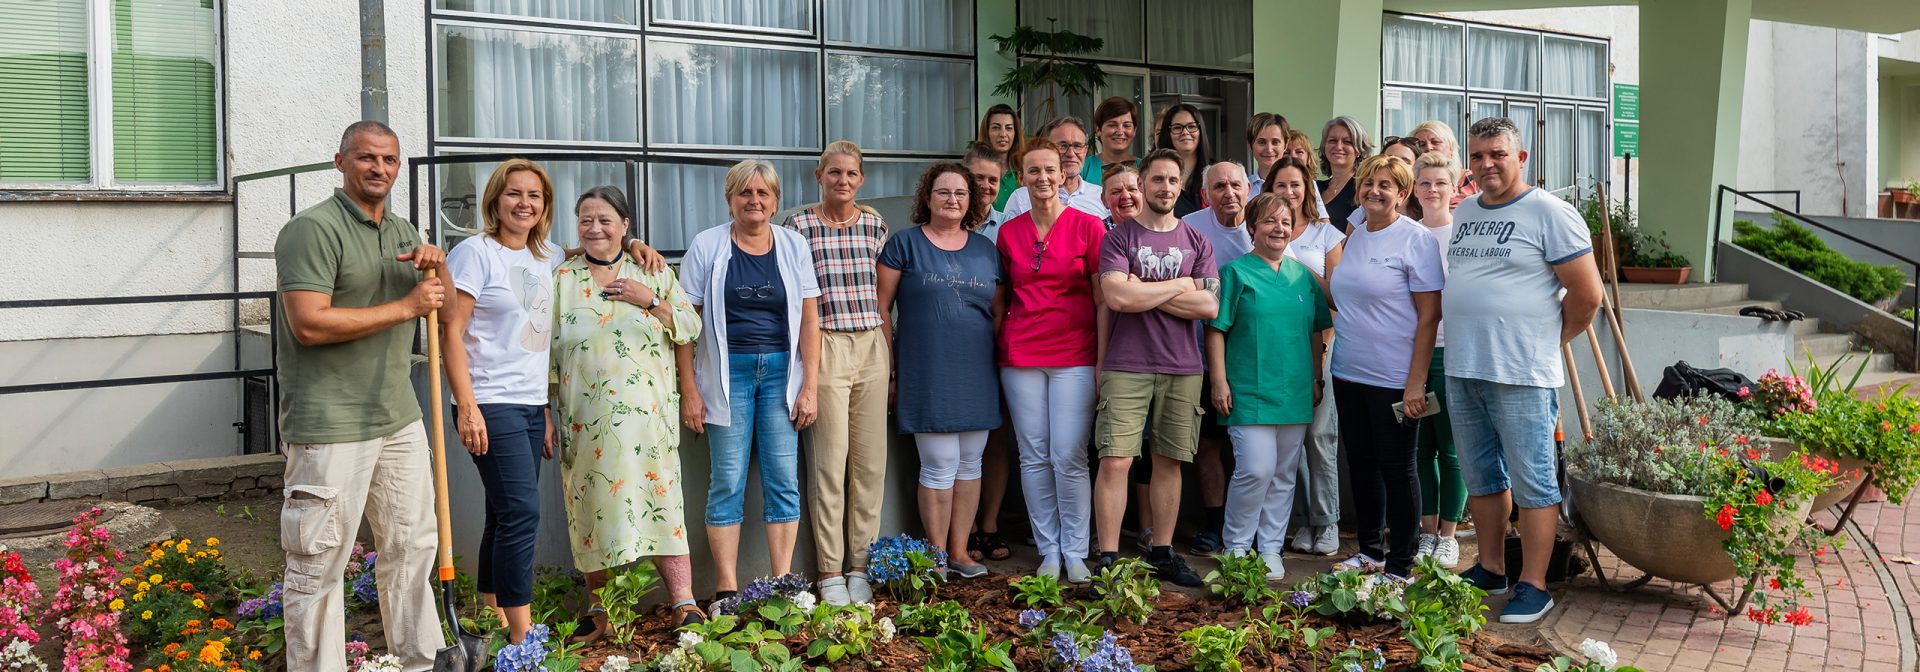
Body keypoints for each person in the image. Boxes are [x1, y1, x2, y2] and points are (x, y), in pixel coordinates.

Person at [274, 121, 447, 671]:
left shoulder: (402, 231)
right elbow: (309, 324)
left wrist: (432, 264)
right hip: (330, 423)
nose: (380, 169)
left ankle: (418, 662)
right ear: (340, 161)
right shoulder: (311, 230)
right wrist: (408, 306)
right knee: (319, 561)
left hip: (397, 414)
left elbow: (427, 299)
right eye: (367, 158)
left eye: (390, 160)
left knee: (412, 547)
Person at [1447, 117, 1603, 624]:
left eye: (1497, 154)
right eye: (1477, 155)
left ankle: (1534, 584)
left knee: (1534, 480)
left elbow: (1588, 294)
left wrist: (1551, 338)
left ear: (1522, 158)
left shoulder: (1550, 213)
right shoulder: (1466, 210)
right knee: (1482, 476)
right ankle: (1491, 568)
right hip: (1464, 365)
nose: (1486, 164)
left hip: (1522, 372)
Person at [549, 186, 705, 632]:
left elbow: (689, 326)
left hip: (647, 419)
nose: (595, 227)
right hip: (584, 419)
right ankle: (601, 610)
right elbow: (544, 354)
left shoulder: (652, 271)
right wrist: (545, 412)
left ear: (625, 225)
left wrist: (651, 301)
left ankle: (684, 602)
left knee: (661, 501)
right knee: (590, 505)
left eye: (605, 220)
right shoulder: (562, 278)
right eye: (585, 219)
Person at [677, 160, 823, 608]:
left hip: (781, 373)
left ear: (775, 201)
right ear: (730, 198)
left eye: (763, 194)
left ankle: (782, 583)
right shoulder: (707, 246)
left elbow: (809, 320)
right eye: (745, 193)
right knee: (727, 480)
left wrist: (810, 386)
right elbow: (685, 323)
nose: (754, 201)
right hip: (727, 376)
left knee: (783, 480)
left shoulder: (794, 245)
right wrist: (690, 390)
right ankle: (725, 588)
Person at [441, 158, 566, 645]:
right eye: (515, 194)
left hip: (531, 404)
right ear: (495, 200)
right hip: (489, 401)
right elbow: (451, 331)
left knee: (502, 510)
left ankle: (491, 615)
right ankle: (522, 636)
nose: (524, 203)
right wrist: (466, 406)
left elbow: (586, 250)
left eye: (534, 196)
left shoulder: (545, 254)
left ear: (544, 205)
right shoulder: (474, 253)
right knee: (522, 513)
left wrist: (633, 243)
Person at [1093, 148, 1218, 587]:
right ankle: (1108, 559)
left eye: (1172, 180)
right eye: (1157, 180)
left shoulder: (1197, 241)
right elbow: (1117, 299)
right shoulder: (1119, 238)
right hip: (1126, 364)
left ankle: (1163, 552)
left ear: (1181, 186)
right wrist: (1180, 285)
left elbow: (1208, 304)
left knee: (1169, 461)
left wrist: (1144, 288)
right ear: (1142, 184)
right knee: (1115, 461)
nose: (1165, 187)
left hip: (1183, 366)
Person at [879, 163, 1005, 581]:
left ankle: (960, 550)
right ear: (927, 198)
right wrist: (891, 373)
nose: (952, 200)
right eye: (943, 192)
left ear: (971, 201)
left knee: (971, 463)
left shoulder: (987, 251)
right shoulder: (904, 245)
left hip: (976, 369)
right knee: (938, 463)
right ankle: (933, 555)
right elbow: (882, 309)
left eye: (961, 193)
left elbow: (998, 312)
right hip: (926, 369)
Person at [780, 142, 890, 606]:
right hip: (824, 342)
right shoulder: (797, 225)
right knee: (829, 464)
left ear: (861, 179)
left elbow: (886, 297)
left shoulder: (875, 224)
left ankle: (860, 566)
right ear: (818, 176)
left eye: (851, 174)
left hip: (871, 344)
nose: (842, 181)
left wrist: (891, 356)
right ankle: (829, 571)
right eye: (834, 173)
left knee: (870, 465)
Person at [1324, 154, 1443, 582]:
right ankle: (1370, 551)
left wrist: (1416, 381)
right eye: (1368, 183)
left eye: (1386, 185)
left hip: (1395, 378)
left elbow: (1430, 316)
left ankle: (1400, 564)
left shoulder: (1416, 239)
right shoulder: (1355, 236)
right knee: (1361, 462)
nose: (1375, 191)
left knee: (1398, 468)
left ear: (1403, 193)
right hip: (1348, 371)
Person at [1205, 193, 1332, 581]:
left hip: (1294, 390)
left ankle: (1271, 548)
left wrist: (1315, 378)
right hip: (1247, 389)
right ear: (1252, 228)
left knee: (1283, 474)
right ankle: (1238, 545)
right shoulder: (1235, 273)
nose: (1278, 229)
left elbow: (1316, 332)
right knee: (1255, 470)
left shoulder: (1303, 278)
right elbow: (1216, 330)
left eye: (1285, 222)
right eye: (1269, 222)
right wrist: (1219, 380)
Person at [998, 138, 1108, 583]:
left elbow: (1103, 299)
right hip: (1020, 354)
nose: (1043, 178)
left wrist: (1103, 359)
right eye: (1033, 171)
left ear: (1064, 175)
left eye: (1051, 170)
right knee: (1033, 456)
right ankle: (1048, 549)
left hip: (1076, 354)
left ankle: (1076, 550)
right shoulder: (1009, 232)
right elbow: (1002, 297)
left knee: (1069, 454)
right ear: (1021, 179)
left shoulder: (1089, 226)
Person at [1261, 155, 1346, 556]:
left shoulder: (1325, 235)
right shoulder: (1261, 233)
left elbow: (1334, 296)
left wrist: (1293, 263)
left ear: (1307, 189)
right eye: (1281, 186)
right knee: (1288, 443)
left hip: (1320, 347)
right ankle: (1303, 522)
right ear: (1269, 189)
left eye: (1296, 185)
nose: (1289, 193)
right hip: (1277, 355)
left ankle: (1327, 521)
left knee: (1319, 436)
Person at [1177, 161, 1253, 555]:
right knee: (1208, 446)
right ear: (1206, 193)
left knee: (1252, 448)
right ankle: (1214, 525)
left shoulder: (1260, 225)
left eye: (1236, 185)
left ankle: (1250, 529)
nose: (1229, 193)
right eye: (1219, 186)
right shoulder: (1190, 226)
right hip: (1200, 358)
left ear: (1248, 188)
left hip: (1253, 358)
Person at [1408, 153, 1465, 569]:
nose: (1432, 190)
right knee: (1418, 448)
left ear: (1454, 187)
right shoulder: (1408, 234)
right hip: (1409, 354)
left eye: (1439, 183)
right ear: (1414, 189)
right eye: (1424, 183)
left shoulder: (1462, 234)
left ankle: (1448, 534)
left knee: (1450, 448)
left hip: (1451, 351)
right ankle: (1426, 532)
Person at [961, 144, 1017, 563]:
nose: (984, 187)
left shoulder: (1008, 227)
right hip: (952, 348)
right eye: (976, 178)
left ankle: (989, 525)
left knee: (995, 440)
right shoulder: (940, 223)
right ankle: (957, 532)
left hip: (996, 341)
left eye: (992, 180)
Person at [1003, 116, 1109, 220]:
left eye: (1077, 146)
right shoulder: (1021, 198)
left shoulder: (1101, 196)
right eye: (1062, 145)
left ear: (1085, 150)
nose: (1071, 153)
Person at [1154, 104, 1214, 217]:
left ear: (1201, 130)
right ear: (1168, 133)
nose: (1185, 132)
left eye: (1191, 126)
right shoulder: (1153, 174)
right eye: (1177, 127)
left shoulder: (1215, 173)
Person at [1317, 116, 1373, 232]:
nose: (1338, 147)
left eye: (1347, 142)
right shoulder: (1315, 188)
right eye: (1332, 140)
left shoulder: (1362, 189)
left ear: (1359, 150)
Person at [1409, 120, 1477, 209]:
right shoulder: (1411, 184)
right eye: (1422, 144)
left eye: (1435, 142)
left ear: (1451, 147)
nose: (1429, 148)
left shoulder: (1474, 180)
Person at [977, 104, 1024, 211]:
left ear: (1015, 134)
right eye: (996, 128)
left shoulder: (1025, 171)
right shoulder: (975, 172)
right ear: (987, 132)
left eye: (1009, 128)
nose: (1003, 134)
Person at [1088, 96, 1140, 184]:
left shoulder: (1146, 168)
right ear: (1098, 130)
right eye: (1112, 125)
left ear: (1134, 130)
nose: (1120, 132)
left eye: (1126, 125)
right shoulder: (1084, 169)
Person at [965, 146, 1011, 242]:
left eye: (993, 180)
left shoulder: (1009, 225)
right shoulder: (949, 221)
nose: (986, 186)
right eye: (979, 178)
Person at [1246, 113, 1291, 197]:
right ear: (1250, 145)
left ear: (1285, 144)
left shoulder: (1304, 184)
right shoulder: (1243, 188)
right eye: (1262, 142)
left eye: (1275, 142)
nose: (1269, 150)